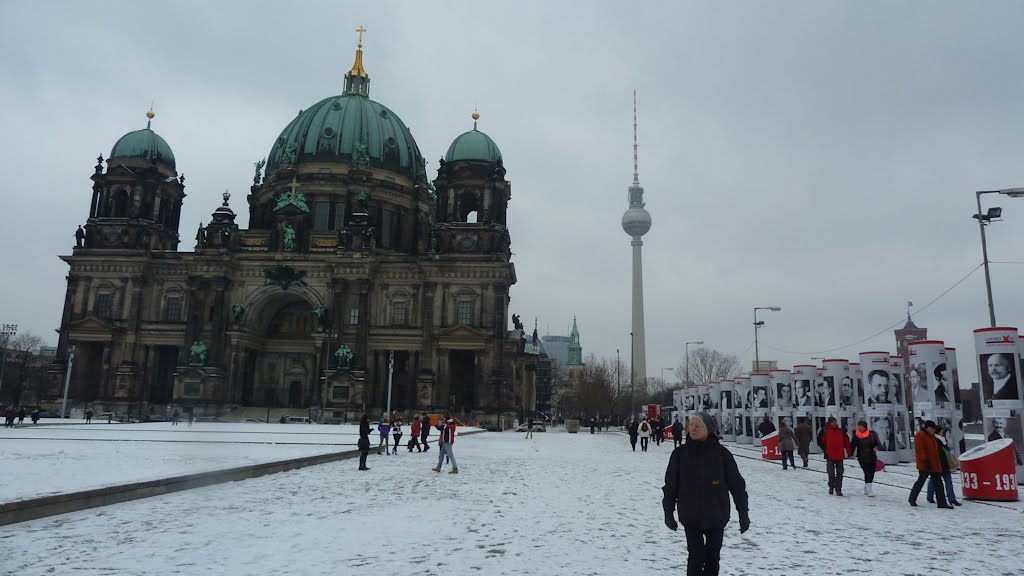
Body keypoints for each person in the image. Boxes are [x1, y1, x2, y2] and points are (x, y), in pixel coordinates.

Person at [662, 413, 750, 576]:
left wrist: (743, 512)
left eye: (697, 426)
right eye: (690, 425)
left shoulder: (722, 454)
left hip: (716, 515)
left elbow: (737, 484)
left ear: (709, 429)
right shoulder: (680, 454)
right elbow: (670, 486)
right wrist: (668, 512)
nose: (692, 429)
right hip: (691, 516)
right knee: (695, 557)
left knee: (712, 559)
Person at [909, 420, 952, 509]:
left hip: (934, 464)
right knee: (921, 482)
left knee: (938, 484)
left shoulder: (931, 436)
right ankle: (912, 498)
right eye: (932, 428)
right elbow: (920, 450)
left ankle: (942, 503)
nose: (934, 430)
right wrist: (925, 461)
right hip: (926, 464)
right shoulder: (920, 435)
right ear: (928, 427)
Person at [927, 425, 961, 506]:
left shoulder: (939, 440)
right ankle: (951, 499)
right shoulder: (937, 440)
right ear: (939, 431)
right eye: (942, 431)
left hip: (941, 464)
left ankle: (930, 496)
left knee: (934, 481)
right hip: (939, 464)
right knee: (946, 481)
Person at [818, 416, 851, 495]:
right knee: (831, 473)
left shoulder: (841, 431)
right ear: (829, 423)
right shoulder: (825, 431)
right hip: (830, 455)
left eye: (835, 422)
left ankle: (838, 488)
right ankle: (831, 486)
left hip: (839, 455)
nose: (835, 423)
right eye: (833, 422)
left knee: (840, 473)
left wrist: (849, 452)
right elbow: (820, 441)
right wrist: (825, 449)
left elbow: (846, 442)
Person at [849, 420, 880, 496]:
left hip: (871, 455)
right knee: (866, 471)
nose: (859, 428)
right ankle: (869, 488)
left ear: (865, 427)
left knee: (871, 472)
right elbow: (852, 445)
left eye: (861, 426)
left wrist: (877, 447)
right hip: (861, 456)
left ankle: (867, 486)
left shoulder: (872, 434)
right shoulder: (856, 435)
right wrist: (850, 453)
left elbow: (877, 443)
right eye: (859, 426)